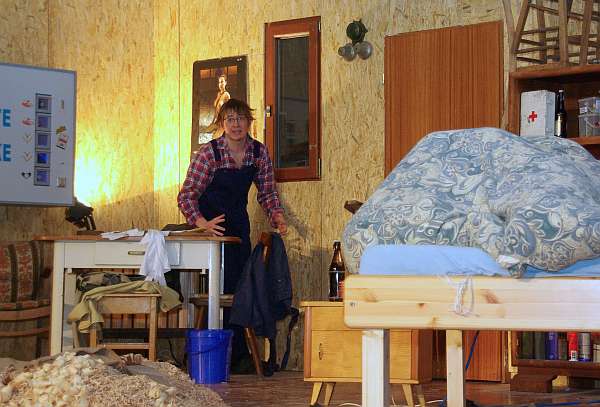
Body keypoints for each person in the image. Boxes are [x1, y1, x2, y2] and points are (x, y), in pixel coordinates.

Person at [178, 98, 287, 372]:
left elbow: (267, 192)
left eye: (240, 119)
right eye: (230, 119)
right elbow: (187, 195)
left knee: (241, 289)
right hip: (213, 230)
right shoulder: (209, 154)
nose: (236, 124)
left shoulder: (258, 152)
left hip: (238, 227)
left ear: (249, 122)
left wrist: (277, 216)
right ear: (222, 124)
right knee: (219, 289)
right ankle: (215, 357)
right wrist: (202, 223)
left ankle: (238, 356)